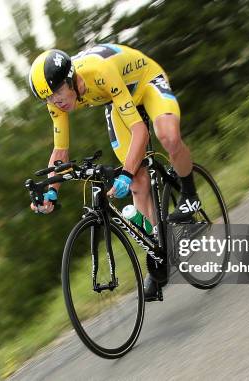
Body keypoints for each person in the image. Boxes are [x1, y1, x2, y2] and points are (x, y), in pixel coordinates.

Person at [28, 44, 200, 301]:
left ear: (71, 79)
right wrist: (51, 191)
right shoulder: (56, 102)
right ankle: (157, 254)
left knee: (168, 137)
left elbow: (141, 131)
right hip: (117, 100)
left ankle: (189, 194)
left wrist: (125, 173)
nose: (56, 101)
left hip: (145, 82)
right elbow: (60, 150)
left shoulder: (100, 71)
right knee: (138, 182)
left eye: (58, 93)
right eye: (48, 98)